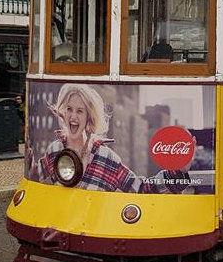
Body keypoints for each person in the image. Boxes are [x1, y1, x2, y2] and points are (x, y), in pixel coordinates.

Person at [36, 83, 187, 193]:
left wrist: (178, 172)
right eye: (69, 109)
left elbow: (142, 188)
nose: (73, 116)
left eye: (80, 111)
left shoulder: (106, 157)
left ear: (89, 118)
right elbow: (37, 183)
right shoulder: (54, 150)